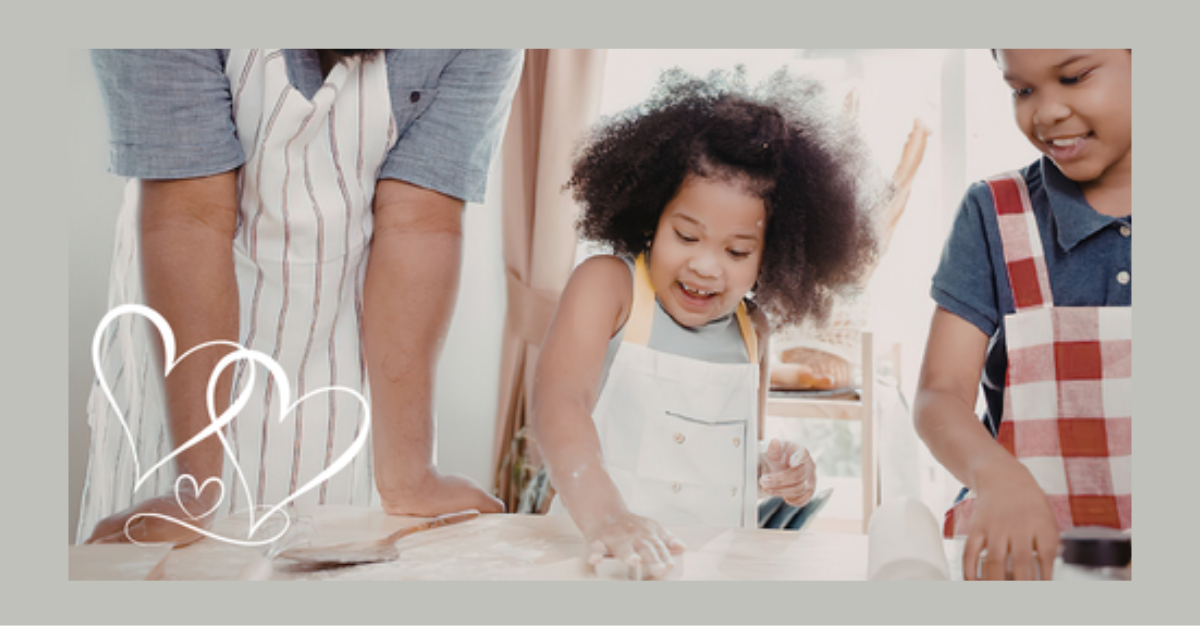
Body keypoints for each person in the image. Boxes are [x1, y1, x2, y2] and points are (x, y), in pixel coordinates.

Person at [79, 49, 522, 545]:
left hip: (360, 363)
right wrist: (193, 488)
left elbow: (419, 225)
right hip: (186, 349)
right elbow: (189, 215)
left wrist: (408, 473)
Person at [531, 67, 884, 578]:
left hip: (712, 573)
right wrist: (608, 517)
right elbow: (557, 405)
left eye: (737, 251)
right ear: (652, 217)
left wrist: (772, 469)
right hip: (601, 564)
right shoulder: (609, 287)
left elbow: (721, 460)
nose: (706, 266)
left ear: (772, 254)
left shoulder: (752, 329)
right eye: (687, 236)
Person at [914, 49, 1131, 580]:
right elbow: (939, 393)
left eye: (1073, 77)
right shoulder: (995, 212)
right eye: (1022, 90)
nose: (1046, 112)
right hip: (1024, 572)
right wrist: (995, 475)